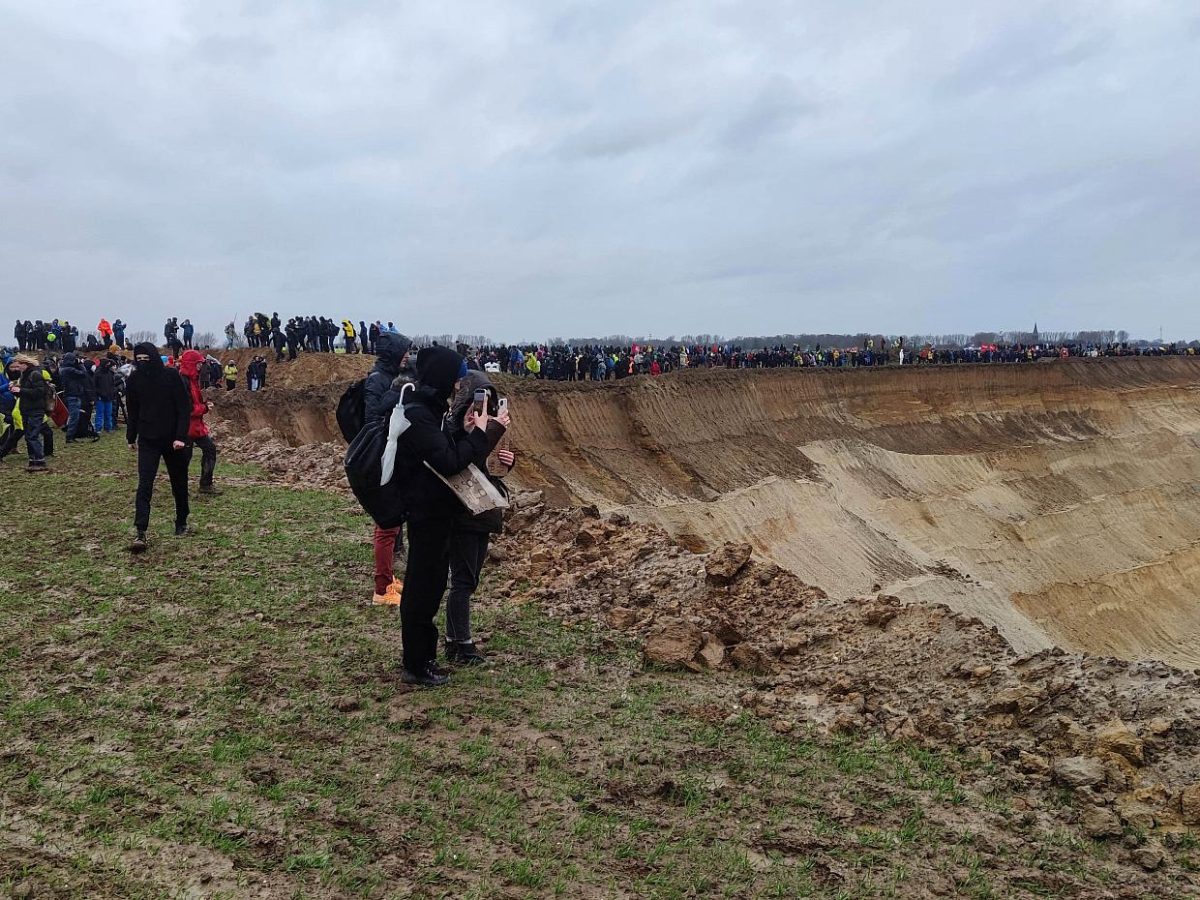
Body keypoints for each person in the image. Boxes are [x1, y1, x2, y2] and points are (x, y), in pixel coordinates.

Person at [393, 346, 507, 687]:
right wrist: (481, 434)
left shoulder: (426, 411)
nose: (459, 387)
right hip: (427, 515)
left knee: (428, 589)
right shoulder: (419, 416)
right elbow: (450, 462)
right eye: (456, 379)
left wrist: (472, 433)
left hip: (434, 515)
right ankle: (417, 664)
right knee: (421, 592)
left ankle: (422, 659)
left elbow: (449, 454)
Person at [444, 372, 515, 665]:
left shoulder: (473, 428)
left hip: (479, 512)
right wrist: (486, 431)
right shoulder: (451, 428)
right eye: (479, 397)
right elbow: (462, 460)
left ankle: (453, 641)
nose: (481, 405)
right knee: (463, 581)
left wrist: (505, 464)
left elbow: (482, 469)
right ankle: (463, 645)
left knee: (468, 581)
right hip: (462, 513)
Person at [125, 342, 191, 552]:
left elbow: (183, 407)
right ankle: (140, 531)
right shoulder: (134, 379)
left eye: (147, 359)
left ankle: (181, 521)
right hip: (148, 439)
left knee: (179, 483)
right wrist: (131, 436)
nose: (143, 363)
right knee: (145, 483)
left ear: (154, 357)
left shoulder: (171, 376)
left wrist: (181, 436)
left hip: (173, 440)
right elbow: (132, 410)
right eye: (139, 359)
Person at [364, 332, 413, 605]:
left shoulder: (392, 376)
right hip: (383, 456)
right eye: (404, 351)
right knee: (386, 526)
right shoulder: (377, 381)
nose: (408, 355)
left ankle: (389, 578)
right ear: (394, 353)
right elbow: (372, 419)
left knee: (392, 524)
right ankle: (382, 589)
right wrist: (395, 395)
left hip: (394, 455)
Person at [178, 349, 220, 495]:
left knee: (210, 450)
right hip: (186, 427)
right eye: (198, 364)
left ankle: (206, 484)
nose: (200, 367)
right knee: (184, 458)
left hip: (196, 427)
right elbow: (187, 409)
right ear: (191, 364)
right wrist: (204, 408)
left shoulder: (193, 380)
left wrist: (203, 406)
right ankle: (180, 488)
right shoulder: (182, 381)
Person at [8, 354, 54, 472]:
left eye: (19, 366)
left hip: (36, 410)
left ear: (25, 364)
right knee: (29, 436)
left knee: (32, 436)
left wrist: (21, 390)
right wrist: (15, 391)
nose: (17, 369)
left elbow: (39, 392)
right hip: (26, 409)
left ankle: (39, 461)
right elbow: (25, 393)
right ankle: (33, 461)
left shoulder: (35, 374)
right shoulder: (25, 376)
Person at [94, 358, 117, 433]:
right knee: (99, 414)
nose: (108, 365)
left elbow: (112, 385)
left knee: (108, 414)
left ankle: (108, 428)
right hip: (100, 397)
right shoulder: (98, 373)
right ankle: (98, 429)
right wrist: (99, 394)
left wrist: (112, 393)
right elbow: (94, 386)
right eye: (107, 364)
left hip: (109, 397)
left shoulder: (110, 374)